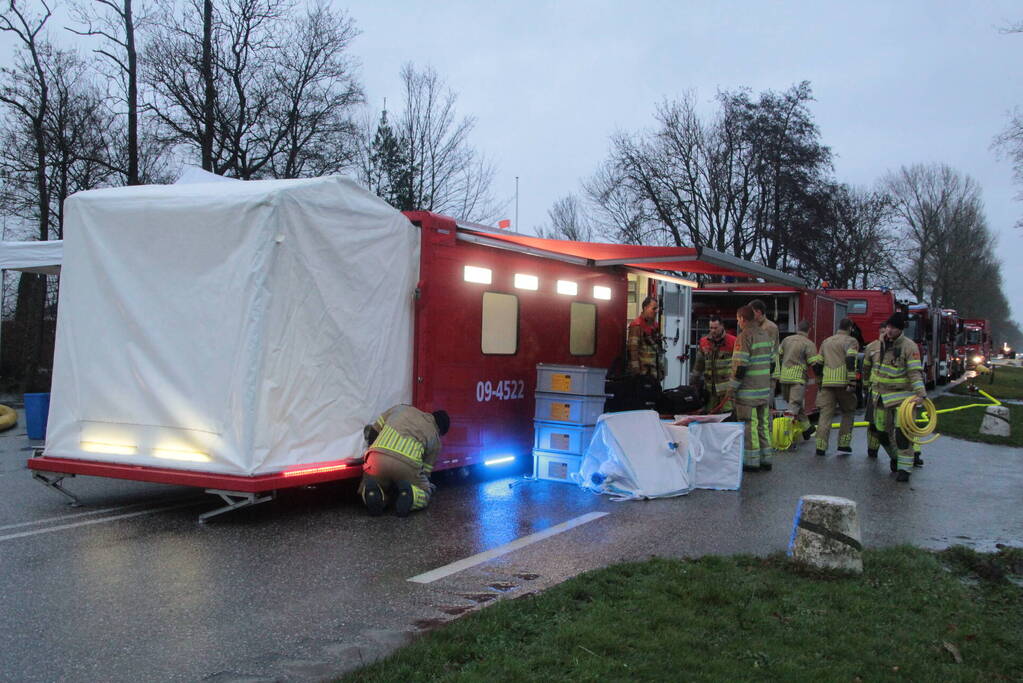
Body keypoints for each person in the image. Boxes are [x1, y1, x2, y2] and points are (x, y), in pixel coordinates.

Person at [359, 405, 450, 517]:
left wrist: (372, 452)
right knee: (425, 491)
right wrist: (423, 485)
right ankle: (410, 495)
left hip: (376, 458)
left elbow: (374, 430)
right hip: (406, 465)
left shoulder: (402, 408)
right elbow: (425, 473)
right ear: (440, 431)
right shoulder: (435, 438)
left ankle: (372, 494)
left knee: (371, 483)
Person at [869, 313, 926, 482]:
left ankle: (905, 469)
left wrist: (921, 394)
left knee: (903, 435)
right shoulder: (877, 345)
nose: (890, 330)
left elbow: (915, 373)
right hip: (880, 396)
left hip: (903, 398)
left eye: (894, 328)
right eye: (888, 326)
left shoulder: (910, 347)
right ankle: (895, 458)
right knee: (881, 433)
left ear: (901, 329)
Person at [725, 305, 774, 471]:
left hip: (748, 393)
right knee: (763, 425)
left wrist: (731, 389)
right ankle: (766, 459)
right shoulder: (765, 334)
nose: (738, 322)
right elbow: (773, 363)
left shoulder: (744, 336)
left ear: (742, 319)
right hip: (763, 390)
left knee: (749, 425)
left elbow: (740, 367)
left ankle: (751, 461)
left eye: (738, 319)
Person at [812, 317, 860, 456]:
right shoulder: (851, 341)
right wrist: (852, 381)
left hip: (827, 383)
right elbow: (850, 360)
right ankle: (843, 444)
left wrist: (820, 382)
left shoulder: (826, 341)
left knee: (825, 416)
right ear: (850, 328)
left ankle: (820, 447)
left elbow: (818, 365)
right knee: (849, 411)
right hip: (844, 383)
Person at [776, 319, 818, 443]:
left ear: (797, 328)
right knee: (793, 407)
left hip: (784, 378)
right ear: (808, 330)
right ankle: (785, 436)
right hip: (797, 378)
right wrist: (820, 379)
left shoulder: (786, 340)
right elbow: (814, 363)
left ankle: (807, 429)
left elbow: (778, 355)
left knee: (796, 405)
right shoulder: (808, 343)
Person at [690, 315, 737, 413]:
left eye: (715, 328)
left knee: (727, 416)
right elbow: (699, 365)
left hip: (726, 390)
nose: (713, 330)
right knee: (710, 416)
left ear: (722, 326)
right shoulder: (704, 342)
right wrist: (693, 383)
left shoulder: (732, 342)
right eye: (711, 328)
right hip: (710, 389)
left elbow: (737, 365)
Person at [627, 295, 665, 380]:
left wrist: (661, 371)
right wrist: (636, 373)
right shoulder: (636, 326)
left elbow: (657, 351)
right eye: (653, 309)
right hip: (642, 375)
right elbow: (633, 351)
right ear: (645, 308)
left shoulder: (655, 326)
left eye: (657, 309)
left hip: (653, 375)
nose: (656, 311)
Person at [749, 299, 780, 400]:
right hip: (759, 371)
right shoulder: (755, 326)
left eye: (751, 312)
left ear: (758, 312)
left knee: (765, 403)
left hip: (768, 371)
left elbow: (766, 350)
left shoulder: (769, 327)